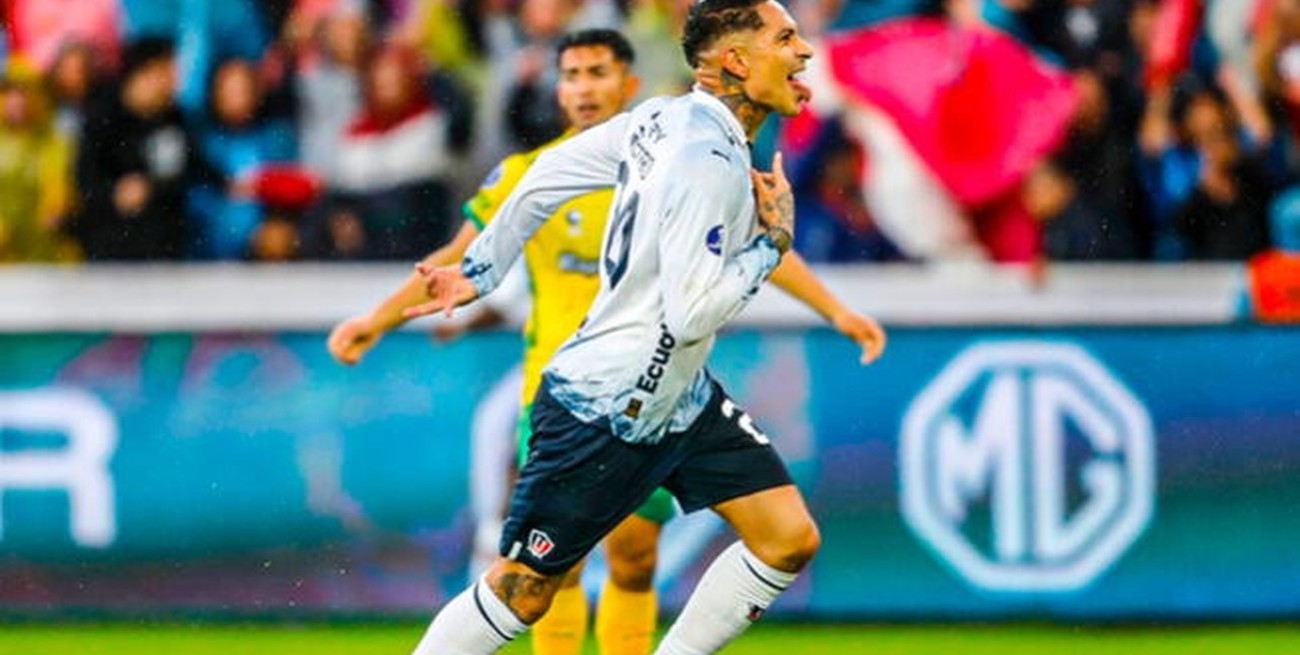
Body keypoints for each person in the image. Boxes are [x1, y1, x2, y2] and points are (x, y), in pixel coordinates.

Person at [397, 2, 885, 653]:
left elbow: (548, 173)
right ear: (737, 61)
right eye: (785, 37)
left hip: (679, 400)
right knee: (526, 588)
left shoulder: (662, 118)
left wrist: (482, 268)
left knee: (786, 537)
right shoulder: (707, 160)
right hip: (603, 403)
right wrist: (769, 247)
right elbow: (690, 315)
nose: (804, 51)